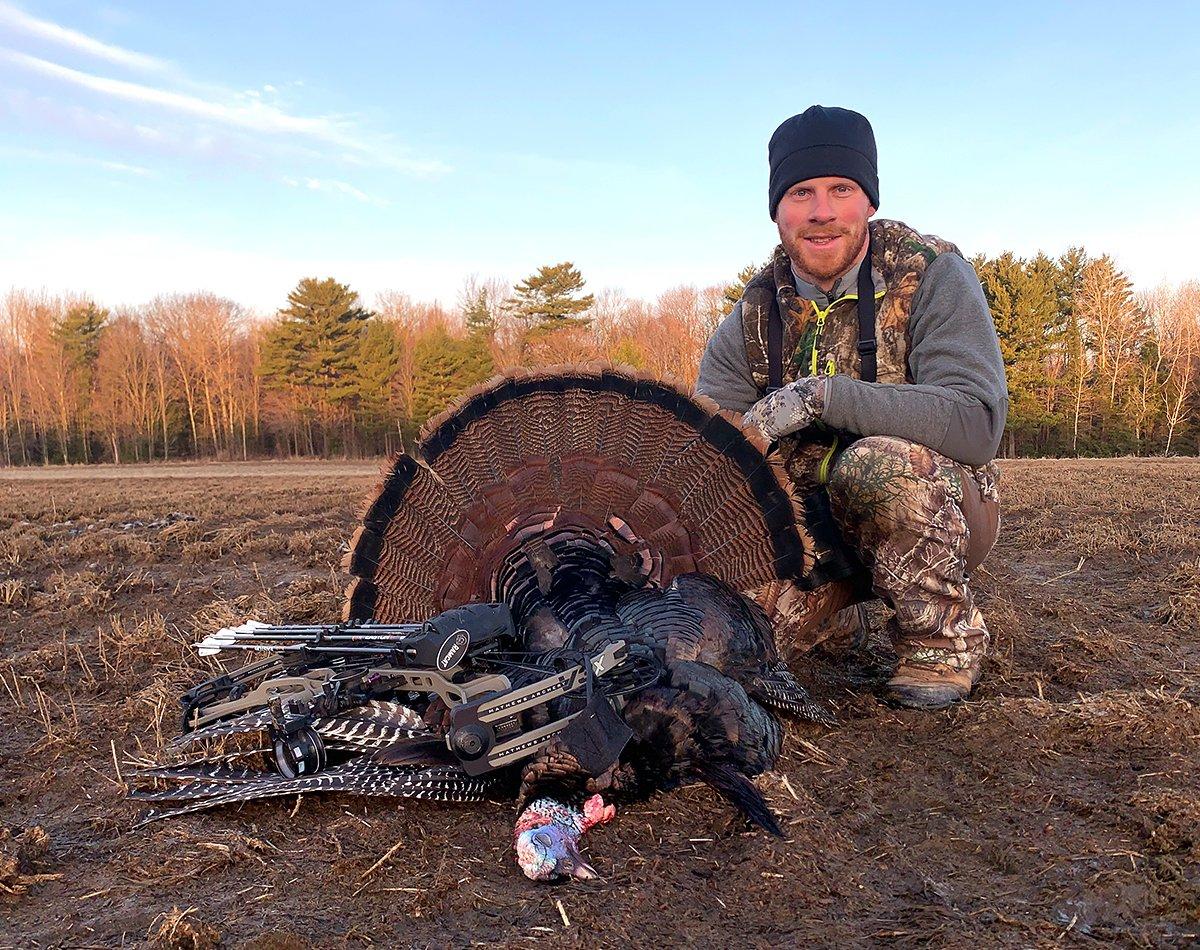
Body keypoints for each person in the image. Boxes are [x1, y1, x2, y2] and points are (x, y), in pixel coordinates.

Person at [696, 105, 1008, 710]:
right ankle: (828, 602)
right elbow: (708, 459)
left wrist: (824, 398)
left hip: (931, 506)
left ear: (868, 201)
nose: (821, 211)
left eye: (841, 189)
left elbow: (976, 425)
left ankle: (941, 640)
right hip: (806, 527)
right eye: (801, 193)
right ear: (777, 211)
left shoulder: (933, 274)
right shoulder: (752, 313)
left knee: (875, 465)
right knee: (717, 649)